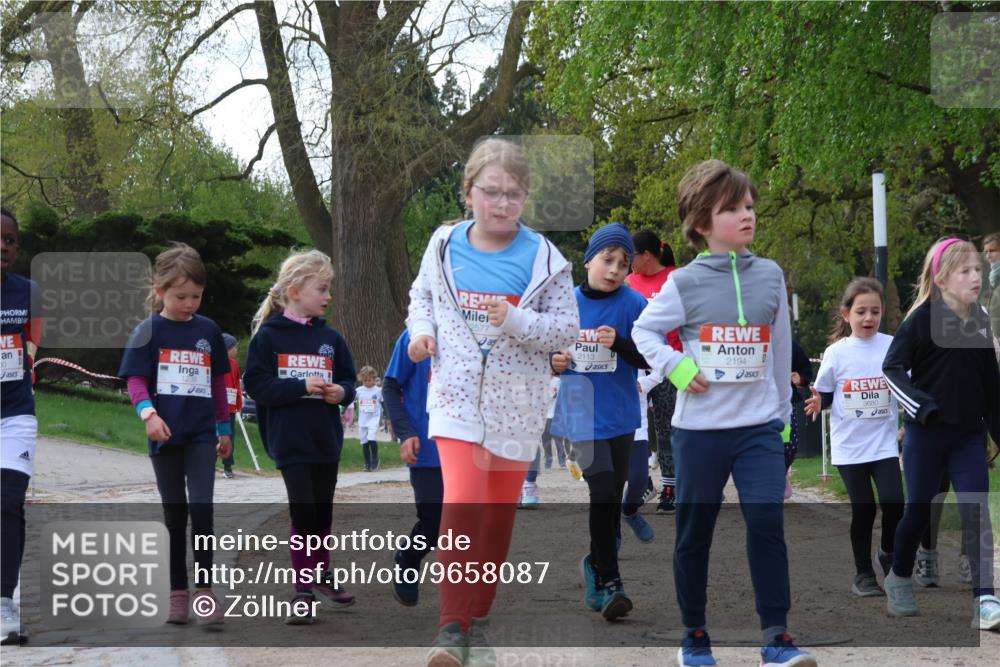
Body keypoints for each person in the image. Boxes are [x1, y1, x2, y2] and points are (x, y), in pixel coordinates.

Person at [633, 160, 816, 667]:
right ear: (700, 224)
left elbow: (780, 353)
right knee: (695, 533)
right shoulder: (683, 283)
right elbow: (644, 332)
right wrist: (677, 367)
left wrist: (782, 420)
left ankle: (777, 639)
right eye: (732, 208)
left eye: (750, 205)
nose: (747, 215)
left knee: (767, 528)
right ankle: (694, 637)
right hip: (700, 432)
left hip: (758, 429)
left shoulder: (771, 275)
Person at [407, 137, 578, 667]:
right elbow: (422, 297)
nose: (502, 204)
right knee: (462, 503)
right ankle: (449, 629)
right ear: (468, 193)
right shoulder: (441, 244)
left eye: (514, 194)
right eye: (492, 192)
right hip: (455, 399)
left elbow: (567, 329)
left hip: (517, 407)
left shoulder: (547, 258)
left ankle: (476, 617)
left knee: (496, 518)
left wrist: (517, 320)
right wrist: (421, 331)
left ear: (525, 198)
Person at [881, 237, 1000, 630]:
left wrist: (996, 433)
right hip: (925, 437)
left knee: (975, 510)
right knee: (918, 511)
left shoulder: (980, 320)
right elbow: (892, 369)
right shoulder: (921, 319)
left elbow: (991, 384)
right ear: (943, 278)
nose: (975, 276)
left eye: (978, 270)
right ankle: (899, 575)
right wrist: (920, 407)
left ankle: (985, 599)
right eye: (965, 271)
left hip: (968, 437)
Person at [118, 243, 232, 627]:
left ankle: (204, 593)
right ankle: (176, 593)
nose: (189, 303)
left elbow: (218, 382)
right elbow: (135, 380)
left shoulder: (208, 331)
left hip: (202, 436)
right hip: (164, 437)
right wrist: (147, 414)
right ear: (159, 290)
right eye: (181, 296)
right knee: (174, 514)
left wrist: (224, 427)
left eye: (196, 296)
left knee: (202, 512)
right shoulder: (147, 331)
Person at [244, 249, 358, 624]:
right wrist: (299, 385)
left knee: (322, 511)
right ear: (295, 290)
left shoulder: (332, 338)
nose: (328, 297)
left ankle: (322, 575)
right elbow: (258, 386)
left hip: (325, 439)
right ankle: (302, 590)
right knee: (303, 510)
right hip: (289, 440)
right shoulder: (269, 337)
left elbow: (348, 380)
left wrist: (341, 393)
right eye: (321, 289)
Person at [551, 222, 650, 620]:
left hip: (621, 415)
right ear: (589, 259)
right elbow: (544, 349)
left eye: (623, 264)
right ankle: (612, 581)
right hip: (579, 412)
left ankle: (595, 563)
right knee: (604, 492)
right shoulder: (565, 304)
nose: (614, 269)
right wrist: (553, 361)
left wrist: (621, 344)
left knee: (612, 499)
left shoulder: (634, 305)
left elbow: (649, 358)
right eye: (608, 260)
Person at [805, 277, 903, 596]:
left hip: (884, 441)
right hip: (850, 446)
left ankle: (887, 553)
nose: (868, 318)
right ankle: (863, 573)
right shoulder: (836, 353)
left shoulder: (892, 346)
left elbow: (906, 385)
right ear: (846, 314)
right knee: (863, 508)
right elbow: (825, 392)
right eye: (861, 311)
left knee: (894, 502)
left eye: (875, 311)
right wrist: (820, 400)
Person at [1, 206, 41, 645]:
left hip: (15, 414)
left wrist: (28, 355)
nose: (3, 245)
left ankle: (5, 605)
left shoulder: (29, 291)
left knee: (8, 501)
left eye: (10, 239)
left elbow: (35, 334)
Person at [383, 329, 442, 607]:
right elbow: (391, 386)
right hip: (428, 447)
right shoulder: (413, 336)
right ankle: (408, 558)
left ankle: (465, 599)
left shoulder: (479, 332)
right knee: (434, 522)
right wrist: (406, 432)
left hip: (471, 445)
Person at [627, 230, 682, 513]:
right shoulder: (628, 282)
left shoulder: (676, 278)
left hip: (674, 364)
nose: (626, 262)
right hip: (637, 366)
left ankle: (675, 486)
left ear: (646, 255)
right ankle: (645, 482)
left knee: (673, 428)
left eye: (631, 256)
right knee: (639, 429)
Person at [221, 333, 242, 478]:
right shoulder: (216, 362)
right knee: (214, 436)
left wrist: (238, 403)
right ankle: (209, 464)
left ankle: (227, 466)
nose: (236, 350)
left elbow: (236, 386)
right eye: (234, 347)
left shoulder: (234, 365)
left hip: (230, 408)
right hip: (216, 408)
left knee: (230, 437)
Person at [355, 365, 383, 471]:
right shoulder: (358, 391)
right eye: (365, 380)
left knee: (371, 437)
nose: (367, 382)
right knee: (364, 441)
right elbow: (351, 401)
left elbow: (384, 402)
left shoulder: (378, 391)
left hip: (374, 418)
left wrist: (388, 416)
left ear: (374, 379)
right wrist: (343, 411)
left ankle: (375, 459)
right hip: (363, 419)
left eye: (369, 380)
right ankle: (367, 462)